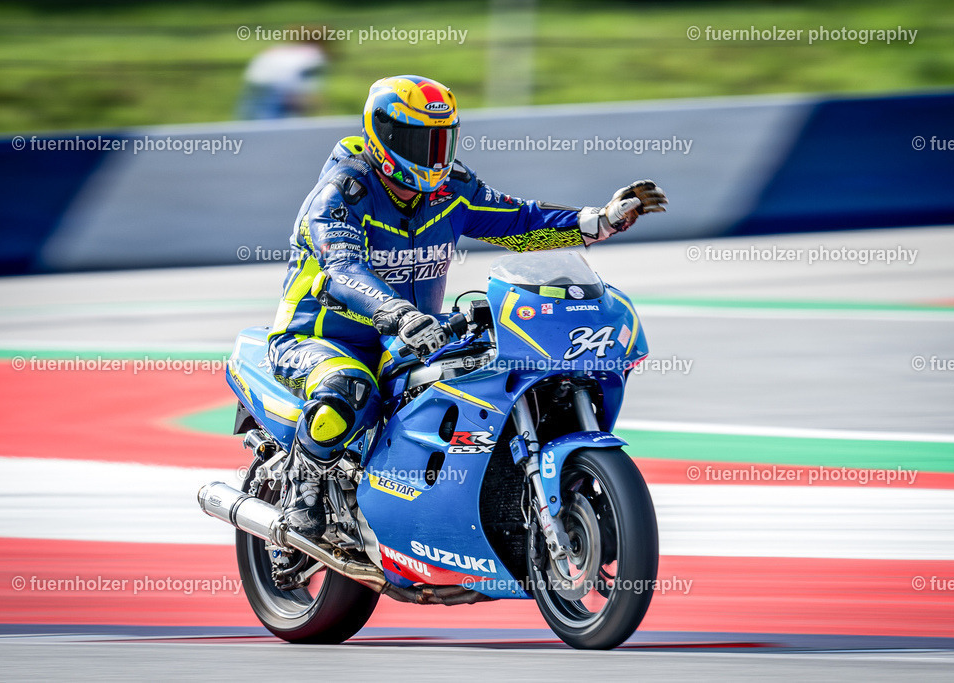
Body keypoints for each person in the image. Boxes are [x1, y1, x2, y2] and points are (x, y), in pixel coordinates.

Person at [267, 74, 666, 536]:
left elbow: (522, 222)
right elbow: (343, 270)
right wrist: (399, 314)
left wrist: (600, 220)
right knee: (349, 388)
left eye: (441, 142)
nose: (433, 157)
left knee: (483, 374)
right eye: (419, 141)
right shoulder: (342, 193)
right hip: (319, 339)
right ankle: (304, 487)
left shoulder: (453, 189)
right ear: (382, 134)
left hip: (415, 339)